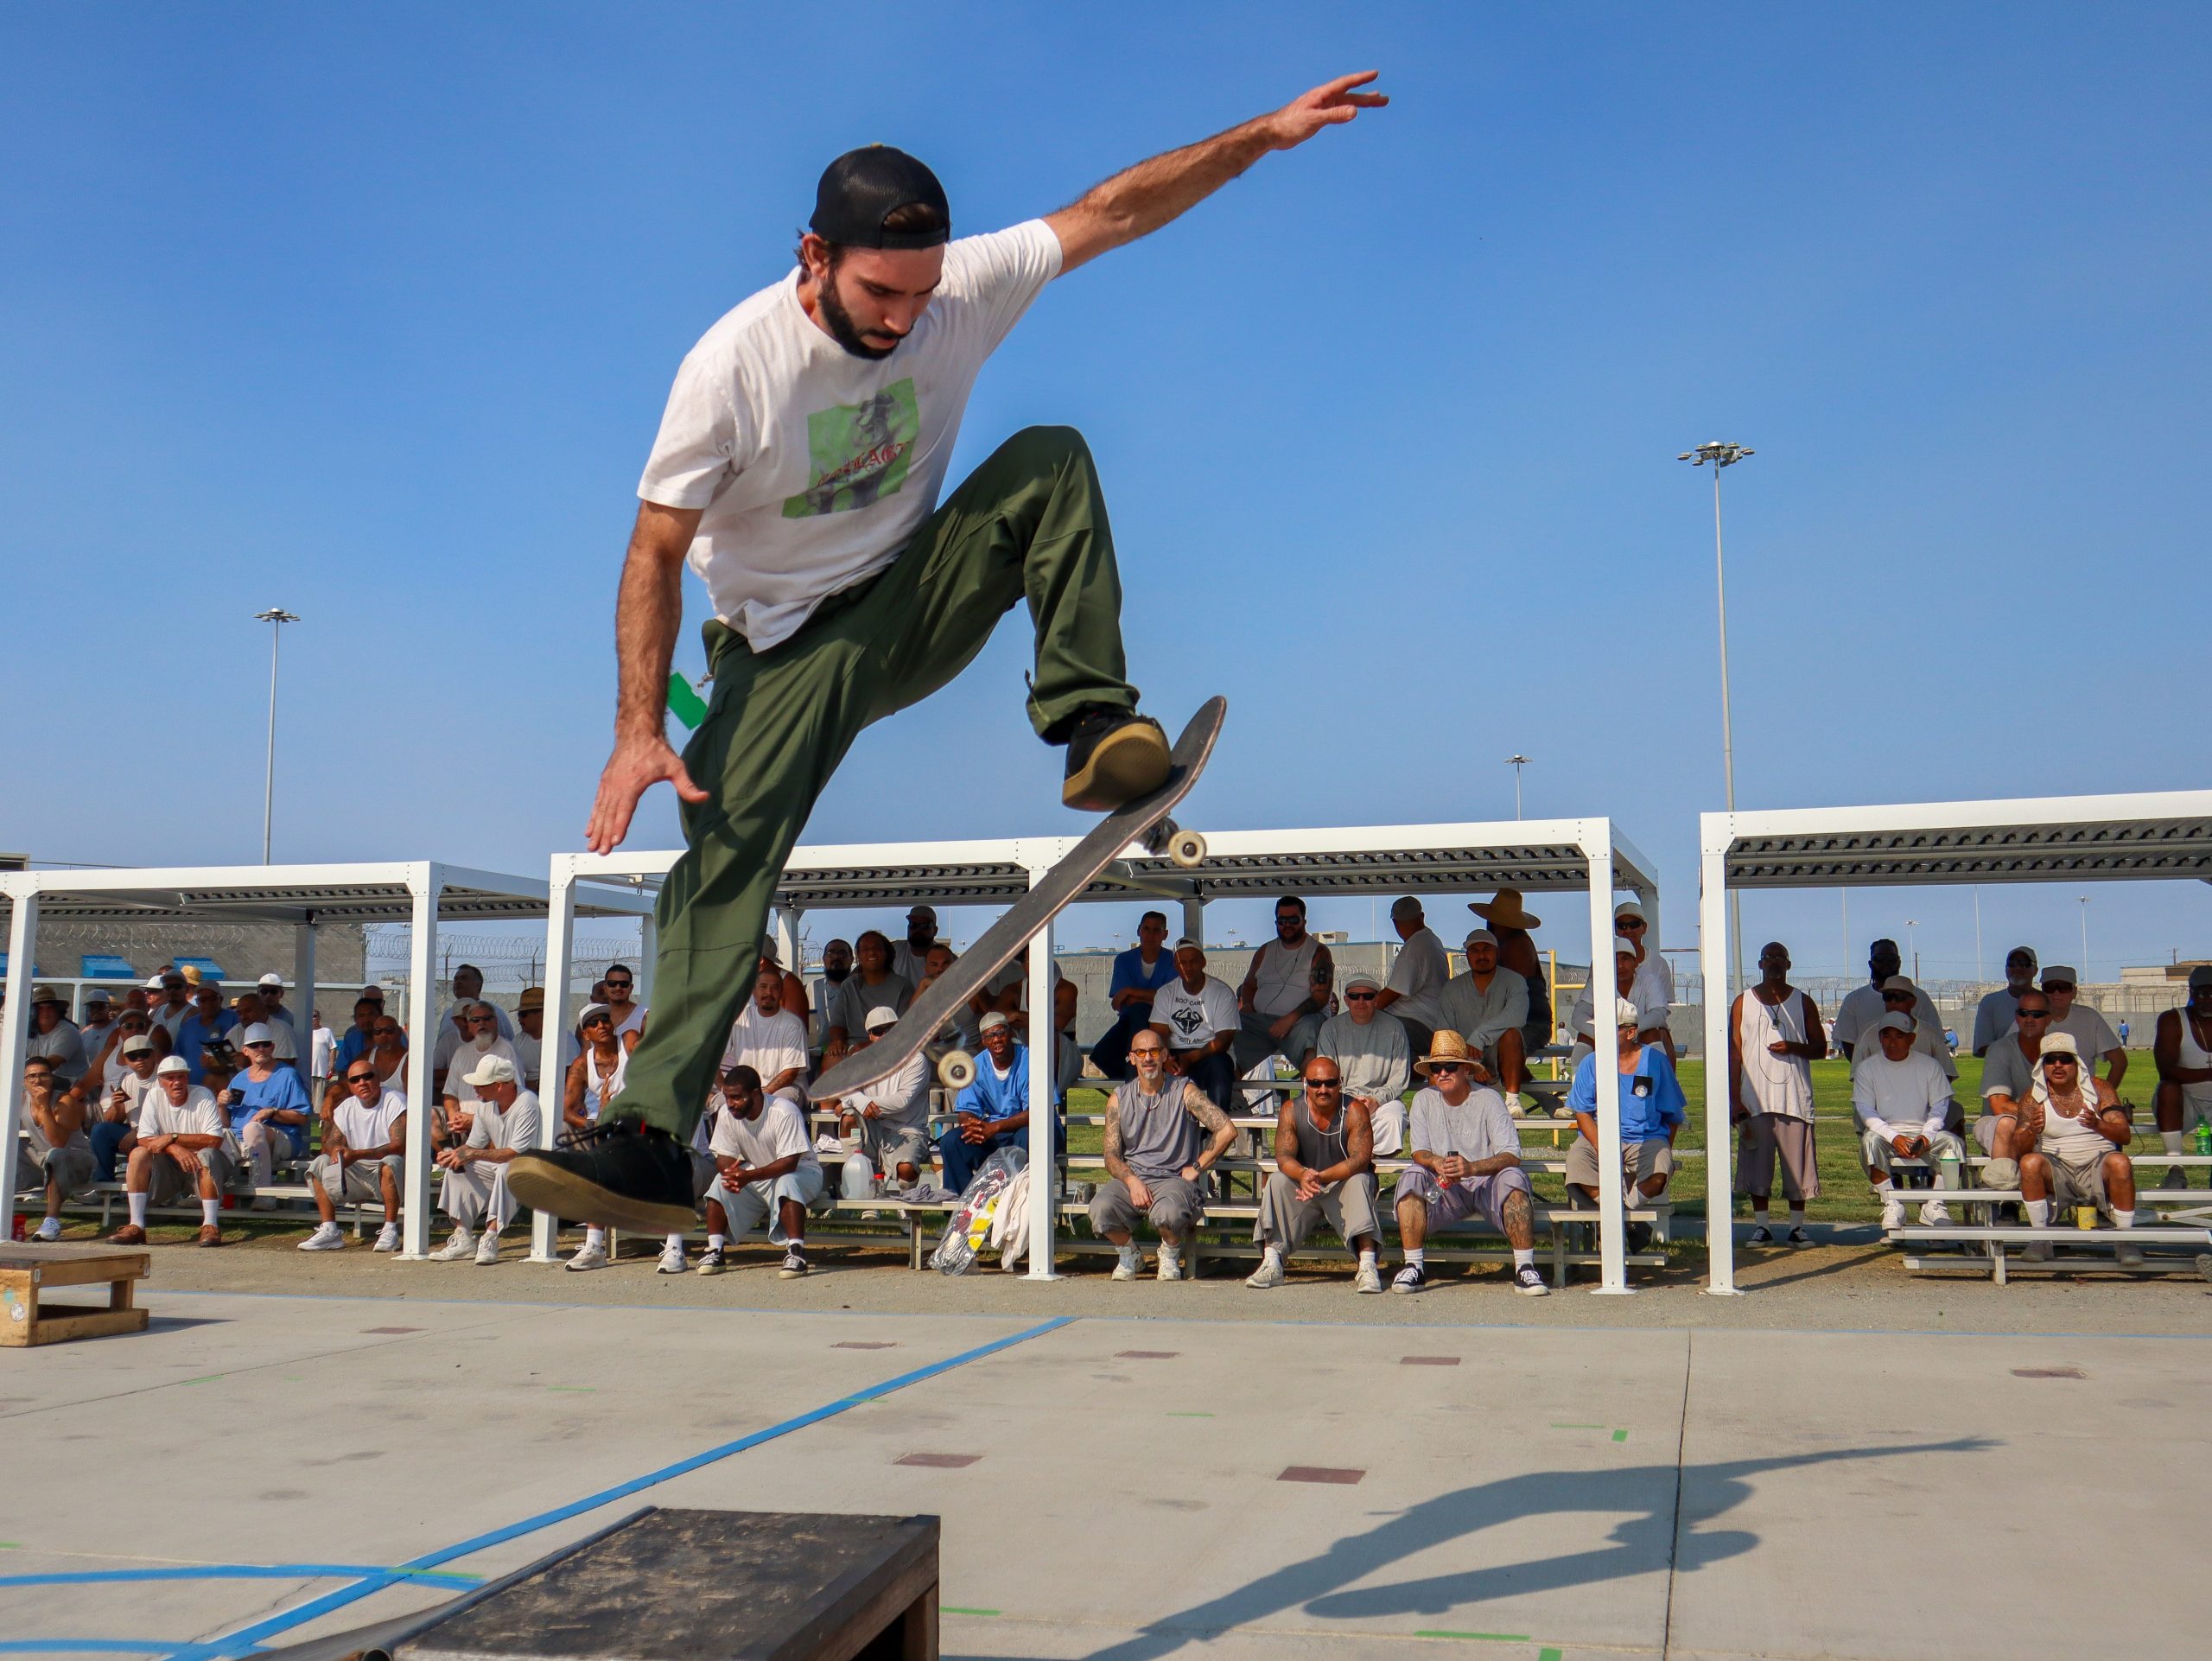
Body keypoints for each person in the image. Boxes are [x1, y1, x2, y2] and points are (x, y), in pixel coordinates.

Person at [1390, 1032, 1547, 1296]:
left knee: (1513, 1178)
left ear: (1466, 1069)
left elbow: (1511, 1155)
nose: (1442, 1073)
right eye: (1436, 1068)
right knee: (1412, 1177)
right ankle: (1413, 1266)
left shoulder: (1489, 1099)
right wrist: (1437, 1162)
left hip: (1486, 1185)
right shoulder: (1423, 1100)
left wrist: (1471, 1168)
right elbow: (1419, 1152)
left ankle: (1525, 1268)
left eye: (1450, 1066)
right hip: (1443, 1189)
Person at [1088, 1030, 1235, 1282]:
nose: (1148, 1059)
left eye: (1154, 1052)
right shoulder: (1118, 1099)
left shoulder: (1184, 1090)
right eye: (1141, 1053)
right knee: (1100, 1209)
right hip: (1135, 1177)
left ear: (1165, 1055)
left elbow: (1226, 1130)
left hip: (1174, 1179)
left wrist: (1197, 1166)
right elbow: (1111, 1155)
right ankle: (1129, 1253)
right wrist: (1132, 1181)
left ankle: (1169, 1253)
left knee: (1168, 1212)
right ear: (1131, 1058)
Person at [1247, 1055, 1382, 1293]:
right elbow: (1283, 1156)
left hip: (1342, 1184)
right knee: (1277, 1180)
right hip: (1305, 1187)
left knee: (1362, 1180)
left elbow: (1360, 1160)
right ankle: (1272, 1262)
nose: (1322, 1089)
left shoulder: (1355, 1110)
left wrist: (1322, 1177)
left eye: (1330, 1083)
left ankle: (1368, 1265)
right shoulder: (1291, 1110)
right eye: (1315, 1083)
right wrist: (1302, 1175)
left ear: (1340, 1083)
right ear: (1304, 1083)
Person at [1563, 1000, 1686, 1252]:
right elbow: (1582, 1113)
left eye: (1610, 1028)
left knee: (1660, 1172)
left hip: (1646, 1137)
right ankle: (1629, 1225)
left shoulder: (1655, 1061)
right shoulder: (1591, 1063)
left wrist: (1664, 1147)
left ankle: (1618, 1218)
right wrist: (1602, 1146)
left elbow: (1673, 1114)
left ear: (1631, 1032)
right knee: (1576, 1162)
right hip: (1599, 1136)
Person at [1729, 940, 1826, 1245]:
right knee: (1757, 1166)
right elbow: (1735, 1051)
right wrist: (1734, 1097)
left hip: (1794, 1097)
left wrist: (1792, 1046)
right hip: (1755, 1098)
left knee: (1797, 1165)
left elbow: (1821, 1048)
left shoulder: (1803, 1002)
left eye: (1779, 958)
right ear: (1759, 964)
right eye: (1768, 958)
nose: (1773, 962)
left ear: (1788, 964)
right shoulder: (1744, 1002)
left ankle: (1797, 1227)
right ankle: (1762, 1226)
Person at [2014, 1034, 2140, 1267]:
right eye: (2051, 1060)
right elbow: (2019, 1148)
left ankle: (2125, 1239)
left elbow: (2124, 1135)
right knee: (2030, 1163)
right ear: (2042, 1065)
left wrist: (2098, 1124)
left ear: (2076, 1062)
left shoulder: (2099, 1088)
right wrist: (2032, 1130)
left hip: (2098, 1165)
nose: (2058, 1065)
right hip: (2058, 1169)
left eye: (2065, 1059)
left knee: (2120, 1162)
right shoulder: (2033, 1097)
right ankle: (2040, 1239)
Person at [696, 1063, 824, 1278]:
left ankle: (797, 1253)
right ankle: (715, 1251)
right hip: (758, 1174)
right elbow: (724, 1157)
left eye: (737, 1097)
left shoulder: (784, 1111)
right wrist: (733, 1175)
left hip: (804, 1172)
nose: (731, 1104)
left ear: (756, 1093)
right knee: (720, 1181)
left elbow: (790, 1163)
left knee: (787, 1182)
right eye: (727, 1098)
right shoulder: (728, 1115)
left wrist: (748, 1176)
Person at [1852, 1013, 1963, 1230]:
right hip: (1886, 1135)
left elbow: (1940, 1106)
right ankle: (1893, 1203)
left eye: (1899, 1036)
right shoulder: (1867, 1068)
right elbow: (1866, 1111)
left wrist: (1926, 1136)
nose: (1892, 1042)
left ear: (1911, 1039)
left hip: (1923, 1133)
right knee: (1869, 1143)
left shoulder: (1929, 1066)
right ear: (1879, 1038)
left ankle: (1935, 1205)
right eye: (1887, 1036)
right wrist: (1895, 1138)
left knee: (1953, 1144)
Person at [107, 1056, 232, 1247]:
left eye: (181, 1077)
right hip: (170, 1164)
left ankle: (211, 1226)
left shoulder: (203, 1095)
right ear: (160, 1082)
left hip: (204, 1164)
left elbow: (214, 1140)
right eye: (170, 1078)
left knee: (207, 1154)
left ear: (187, 1078)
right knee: (138, 1154)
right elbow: (143, 1139)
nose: (176, 1083)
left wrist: (172, 1137)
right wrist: (174, 1147)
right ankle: (136, 1226)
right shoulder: (154, 1096)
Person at [429, 1055, 542, 1265]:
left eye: (480, 1085)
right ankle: (463, 1237)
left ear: (500, 1085)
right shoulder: (484, 1107)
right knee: (457, 1167)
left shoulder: (527, 1103)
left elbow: (515, 1153)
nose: (475, 1089)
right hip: (503, 1165)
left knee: (505, 1169)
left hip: (529, 1169)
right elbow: (474, 1146)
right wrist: (455, 1154)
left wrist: (471, 1154)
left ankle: (490, 1237)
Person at [296, 1059, 407, 1253]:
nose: (362, 1083)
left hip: (387, 1169)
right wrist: (336, 1150)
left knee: (391, 1162)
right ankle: (330, 1230)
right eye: (355, 1080)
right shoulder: (346, 1107)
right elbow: (331, 1143)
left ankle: (390, 1230)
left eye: (368, 1076)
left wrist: (357, 1154)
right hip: (355, 1169)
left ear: (378, 1078)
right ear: (350, 1086)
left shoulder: (395, 1100)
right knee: (319, 1163)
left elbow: (399, 1145)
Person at [825, 1004, 931, 1200]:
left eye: (889, 1029)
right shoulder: (859, 1059)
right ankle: (860, 1191)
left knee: (906, 1170)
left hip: (907, 1130)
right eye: (877, 1031)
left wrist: (857, 1103)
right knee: (848, 1119)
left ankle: (905, 1203)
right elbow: (843, 1089)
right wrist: (858, 1104)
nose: (884, 1036)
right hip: (872, 1127)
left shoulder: (916, 1059)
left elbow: (902, 1101)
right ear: (870, 1036)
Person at [1233, 895, 1334, 1073]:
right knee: (1230, 1028)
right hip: (1262, 1022)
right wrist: (1248, 1004)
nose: (1287, 925)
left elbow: (1320, 997)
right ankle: (1232, 1094)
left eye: (1293, 920)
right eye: (1282, 921)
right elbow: (1249, 985)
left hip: (1301, 1022)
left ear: (1304, 921)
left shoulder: (1318, 952)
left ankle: (1308, 1091)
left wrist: (1290, 1018)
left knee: (1311, 1030)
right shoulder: (1265, 951)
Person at [1315, 969, 1411, 1154]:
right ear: (1346, 1000)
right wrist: (1347, 1099)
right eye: (1355, 996)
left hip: (1380, 1102)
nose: (1361, 1001)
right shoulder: (1330, 1029)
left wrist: (1376, 1099)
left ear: (1376, 999)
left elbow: (1400, 1077)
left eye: (1367, 996)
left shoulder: (1394, 1028)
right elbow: (1325, 1072)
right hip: (1341, 1100)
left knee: (1395, 1115)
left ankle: (1374, 1163)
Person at [220, 1023, 314, 1204]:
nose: (260, 1049)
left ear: (273, 1046)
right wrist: (221, 1106)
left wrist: (273, 1113)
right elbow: (226, 1124)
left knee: (253, 1129)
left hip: (279, 1139)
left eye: (265, 1044)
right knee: (214, 1136)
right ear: (245, 1051)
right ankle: (210, 1195)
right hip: (239, 1141)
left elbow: (302, 1118)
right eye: (255, 1045)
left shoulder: (288, 1074)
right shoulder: (238, 1079)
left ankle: (263, 1194)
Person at [1147, 939, 1241, 1116]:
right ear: (1175, 964)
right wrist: (1166, 1059)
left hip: (1210, 1053)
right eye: (1182, 962)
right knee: (1149, 1064)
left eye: (1193, 961)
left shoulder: (1221, 992)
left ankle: (1216, 1130)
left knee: (1219, 1068)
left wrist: (1190, 1058)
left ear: (1203, 962)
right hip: (1174, 1052)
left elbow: (1223, 1040)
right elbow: (1158, 1033)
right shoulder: (1165, 993)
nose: (1188, 967)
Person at [1436, 928, 1530, 1100]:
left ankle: (1512, 1100)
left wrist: (1479, 1036)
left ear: (1497, 952)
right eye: (1475, 951)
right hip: (1463, 1060)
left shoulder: (1514, 981)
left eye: (1487, 950)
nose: (1481, 956)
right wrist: (1471, 1064)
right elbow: (1445, 1033)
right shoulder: (1452, 988)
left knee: (1512, 1034)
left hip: (1502, 1054)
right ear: (1467, 956)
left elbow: (1517, 1016)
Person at [13, 1055, 93, 1244]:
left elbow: (58, 1142)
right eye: (31, 1076)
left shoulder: (65, 1101)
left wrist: (43, 1107)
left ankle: (52, 1221)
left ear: (52, 1078)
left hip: (77, 1159)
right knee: (8, 1150)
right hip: (41, 1158)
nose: (37, 1080)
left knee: (55, 1155)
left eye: (43, 1075)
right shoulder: (20, 1100)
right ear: (24, 1082)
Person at [1091, 910, 1178, 1081]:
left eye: (1156, 930)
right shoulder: (1124, 960)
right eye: (1146, 929)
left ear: (1165, 934)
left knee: (1139, 1009)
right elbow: (1120, 1002)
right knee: (1100, 1055)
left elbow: (1170, 1000)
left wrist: (1130, 991)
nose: (1150, 935)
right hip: (1128, 1022)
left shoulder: (1173, 960)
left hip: (1164, 1026)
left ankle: (1138, 1081)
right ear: (1139, 930)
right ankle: (1136, 1083)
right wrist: (1150, 998)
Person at [1976, 989, 2054, 1174]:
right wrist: (2043, 1113)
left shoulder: (2058, 1052)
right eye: (2023, 1013)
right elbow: (2000, 1107)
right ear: (2016, 1017)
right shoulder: (1999, 1049)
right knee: (2007, 1124)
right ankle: (2005, 1198)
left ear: (2049, 1019)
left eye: (2037, 1014)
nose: (2029, 1019)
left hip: (2045, 1122)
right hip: (1996, 1124)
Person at [2150, 965, 2212, 1189]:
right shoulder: (2172, 1020)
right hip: (2185, 1103)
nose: (2208, 999)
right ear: (2191, 992)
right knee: (2168, 1088)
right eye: (2203, 993)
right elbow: (2166, 1070)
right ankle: (2175, 1169)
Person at [1831, 942, 1943, 1066]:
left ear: (1899, 963)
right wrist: (1871, 1073)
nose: (1886, 964)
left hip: (1917, 1078)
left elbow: (1935, 1041)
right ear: (1870, 964)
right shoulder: (1854, 1000)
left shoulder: (1919, 997)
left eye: (1891, 959)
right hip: (1872, 1080)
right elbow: (1849, 1045)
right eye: (1879, 959)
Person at [1471, 889, 1551, 1060]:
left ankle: (1509, 1081)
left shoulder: (1517, 946)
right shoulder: (1509, 944)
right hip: (1520, 1022)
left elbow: (1512, 992)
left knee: (1501, 1051)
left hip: (1532, 1023)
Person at [1566, 940, 1669, 1065]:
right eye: (1614, 960)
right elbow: (1578, 1016)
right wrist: (1603, 1034)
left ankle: (1652, 1083)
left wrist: (1631, 1030)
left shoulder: (1649, 980)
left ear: (1635, 962)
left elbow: (1659, 1014)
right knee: (1584, 1040)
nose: (1620, 966)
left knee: (1653, 1035)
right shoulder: (1597, 982)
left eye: (1625, 959)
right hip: (1605, 1039)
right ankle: (1580, 1082)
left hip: (1638, 1034)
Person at [722, 965, 810, 1104]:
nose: (769, 992)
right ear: (753, 992)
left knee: (777, 1104)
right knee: (722, 1104)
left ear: (782, 994)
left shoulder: (793, 1024)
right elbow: (713, 1057)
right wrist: (725, 1089)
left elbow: (791, 1072)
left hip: (786, 1087)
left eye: (775, 988)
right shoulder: (739, 1018)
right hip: (746, 1088)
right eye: (763, 987)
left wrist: (764, 1093)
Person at [823, 930, 914, 1064]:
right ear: (858, 956)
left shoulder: (903, 985)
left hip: (890, 1047)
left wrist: (868, 1046)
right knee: (830, 1060)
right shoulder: (849, 985)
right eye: (865, 949)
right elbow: (837, 1024)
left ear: (886, 953)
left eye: (876, 948)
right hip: (852, 1048)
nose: (871, 952)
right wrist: (838, 1041)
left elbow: (904, 1030)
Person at [1372, 897, 1447, 1055]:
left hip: (1417, 1024)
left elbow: (1390, 995)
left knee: (1364, 1028)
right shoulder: (1432, 940)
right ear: (1422, 916)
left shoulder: (1414, 948)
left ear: (1395, 923)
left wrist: (1360, 1008)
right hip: (1429, 1023)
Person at [85, 1031, 162, 1181]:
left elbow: (168, 1116)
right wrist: (116, 1106)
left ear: (153, 1055)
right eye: (133, 1056)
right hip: (136, 1131)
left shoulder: (163, 1076)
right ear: (126, 1060)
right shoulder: (128, 1080)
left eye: (144, 1054)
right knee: (100, 1131)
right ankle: (103, 1185)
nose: (139, 1059)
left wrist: (136, 1134)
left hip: (161, 1133)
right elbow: (111, 1120)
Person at [2037, 965, 2126, 1087]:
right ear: (2042, 991)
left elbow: (2119, 1061)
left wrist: (2104, 1099)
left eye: (2064, 987)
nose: (2056, 992)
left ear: (2074, 992)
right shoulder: (2030, 1019)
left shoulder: (2090, 1018)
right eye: (2050, 987)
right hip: (2040, 1099)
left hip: (2083, 1102)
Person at [440, 1003, 524, 1130]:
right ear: (469, 1026)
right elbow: (450, 1094)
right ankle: (447, 1149)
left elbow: (513, 1096)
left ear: (495, 1022)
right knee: (431, 1117)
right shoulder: (461, 1052)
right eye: (476, 1020)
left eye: (486, 1019)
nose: (481, 1023)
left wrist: (475, 1119)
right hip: (461, 1121)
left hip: (493, 1122)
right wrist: (453, 1116)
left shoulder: (507, 1049)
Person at [563, 1003, 630, 1133]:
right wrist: (594, 1125)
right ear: (585, 1035)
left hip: (632, 1120)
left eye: (605, 1020)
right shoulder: (582, 1064)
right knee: (563, 1127)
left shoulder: (628, 1043)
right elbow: (566, 1111)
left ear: (613, 1024)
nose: (601, 1025)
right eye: (594, 1023)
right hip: (599, 1124)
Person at [1972, 946, 2039, 1056]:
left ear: (2035, 970)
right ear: (2006, 969)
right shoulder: (1990, 1002)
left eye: (2024, 963)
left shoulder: (2046, 1002)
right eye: (2012, 963)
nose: (2017, 968)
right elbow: (1982, 1048)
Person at [172, 982, 232, 1085]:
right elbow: (177, 1057)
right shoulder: (189, 1024)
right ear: (197, 1002)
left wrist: (216, 1064)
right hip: (191, 1090)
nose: (207, 1003)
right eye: (202, 1000)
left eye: (212, 999)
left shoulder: (234, 1019)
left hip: (224, 1091)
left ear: (221, 999)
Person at [26, 988, 86, 1086]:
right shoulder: (28, 1032)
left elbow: (49, 1065)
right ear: (34, 1012)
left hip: (73, 1089)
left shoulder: (68, 1031)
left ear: (58, 1011)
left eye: (50, 1008)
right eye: (40, 1008)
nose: (45, 1012)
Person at [600, 963, 647, 1049]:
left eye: (624, 984)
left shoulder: (644, 1017)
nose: (618, 988)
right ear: (605, 988)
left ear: (631, 988)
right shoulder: (595, 1018)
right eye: (612, 983)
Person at [890, 907, 939, 988]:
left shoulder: (945, 957)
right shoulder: (894, 950)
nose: (918, 930)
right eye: (913, 925)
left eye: (924, 926)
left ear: (935, 930)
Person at [76, 990, 117, 1064]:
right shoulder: (82, 1034)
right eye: (91, 1007)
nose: (95, 1010)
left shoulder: (120, 1029)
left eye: (100, 1006)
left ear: (109, 1008)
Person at [308, 1009, 336, 1100]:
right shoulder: (304, 1032)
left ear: (319, 1018)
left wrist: (331, 1065)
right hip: (306, 1073)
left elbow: (333, 1048)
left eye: (314, 1016)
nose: (312, 1019)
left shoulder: (327, 1031)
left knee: (319, 1103)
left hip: (321, 1072)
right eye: (310, 1016)